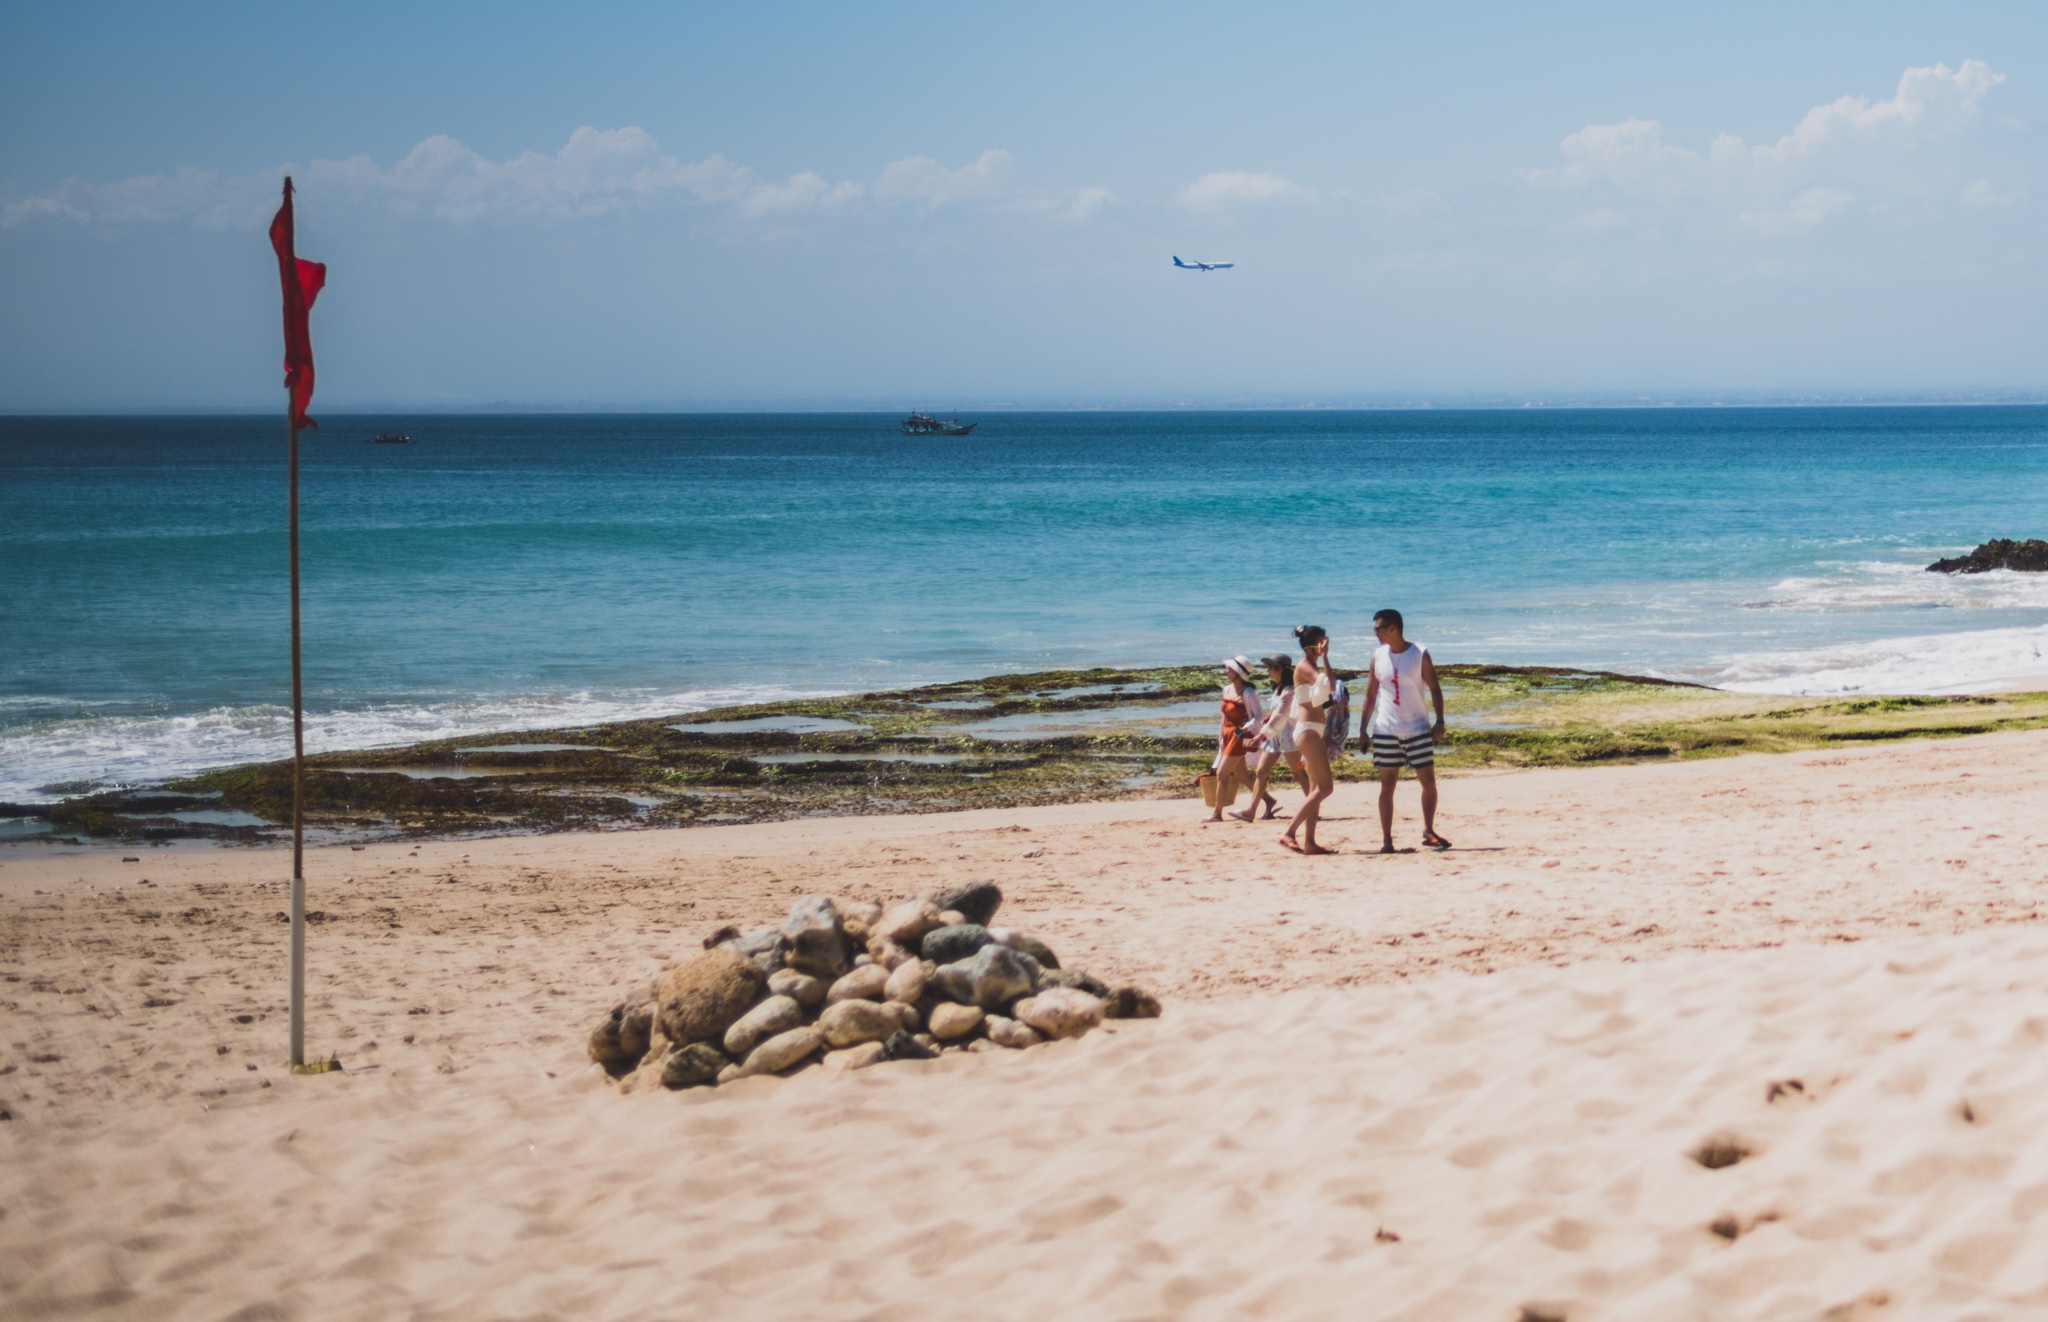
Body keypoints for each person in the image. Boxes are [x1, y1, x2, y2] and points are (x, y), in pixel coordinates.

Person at [1361, 608, 1450, 852]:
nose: (1375, 634)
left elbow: (1434, 687)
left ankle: (1428, 830)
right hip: (1386, 730)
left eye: (1378, 629)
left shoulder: (1419, 653)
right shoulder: (1377, 656)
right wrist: (1362, 729)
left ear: (1393, 628)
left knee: (1428, 782)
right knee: (1387, 786)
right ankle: (1387, 840)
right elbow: (1370, 695)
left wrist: (1440, 721)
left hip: (1418, 728)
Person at [1280, 625, 1337, 854]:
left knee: (1315, 790)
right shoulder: (1305, 666)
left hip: (1313, 730)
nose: (1325, 644)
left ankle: (1310, 842)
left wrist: (1322, 658)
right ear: (1311, 646)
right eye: (1322, 642)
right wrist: (1325, 658)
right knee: (1326, 788)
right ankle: (1289, 832)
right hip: (1308, 731)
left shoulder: (1311, 665)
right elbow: (1329, 685)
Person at [1233, 654, 1303, 821]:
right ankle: (1251, 810)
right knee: (1261, 771)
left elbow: (1279, 716)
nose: (1268, 670)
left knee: (1299, 772)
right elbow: (1275, 716)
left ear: (1280, 669)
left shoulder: (1289, 691)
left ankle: (1312, 807)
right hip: (1274, 736)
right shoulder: (1278, 689)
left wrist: (1260, 735)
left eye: (1271, 667)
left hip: (1287, 736)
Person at [1205, 655, 1260, 824]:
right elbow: (1224, 717)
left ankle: (1217, 814)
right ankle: (1269, 801)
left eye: (1230, 669)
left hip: (1239, 736)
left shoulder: (1248, 693)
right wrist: (1221, 737)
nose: (1226, 671)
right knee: (1242, 776)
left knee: (1222, 773)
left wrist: (1246, 728)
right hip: (1227, 735)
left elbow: (1258, 717)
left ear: (1238, 672)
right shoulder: (1227, 689)